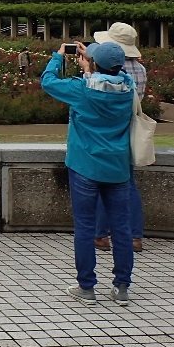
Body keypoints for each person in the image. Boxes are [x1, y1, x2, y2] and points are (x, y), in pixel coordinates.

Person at [41, 40, 136, 306]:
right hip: (117, 166)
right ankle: (122, 287)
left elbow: (48, 81)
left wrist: (58, 57)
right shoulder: (128, 87)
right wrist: (93, 64)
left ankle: (87, 286)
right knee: (121, 228)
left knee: (84, 227)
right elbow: (116, 77)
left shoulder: (82, 89)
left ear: (94, 64)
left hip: (85, 164)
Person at [92, 23, 147, 253]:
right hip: (127, 133)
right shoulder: (140, 71)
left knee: (102, 184)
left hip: (103, 135)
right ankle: (135, 236)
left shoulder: (106, 72)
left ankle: (100, 234)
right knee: (128, 184)